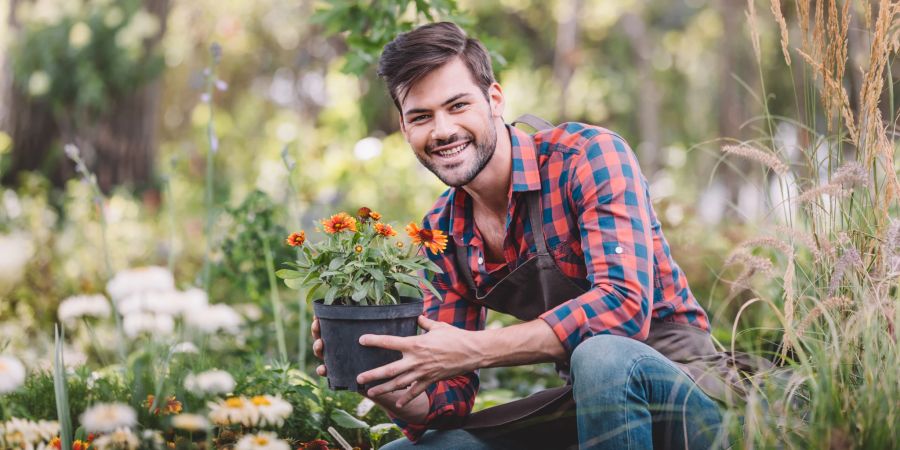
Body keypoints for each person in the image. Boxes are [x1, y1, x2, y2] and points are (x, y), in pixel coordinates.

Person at [312, 22, 733, 450]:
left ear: (494, 99)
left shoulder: (586, 157)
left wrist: (474, 349)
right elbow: (448, 400)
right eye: (421, 117)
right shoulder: (442, 231)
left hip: (687, 393)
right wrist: (390, 380)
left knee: (602, 355)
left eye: (457, 106)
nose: (441, 131)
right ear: (404, 129)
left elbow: (623, 306)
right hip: (585, 404)